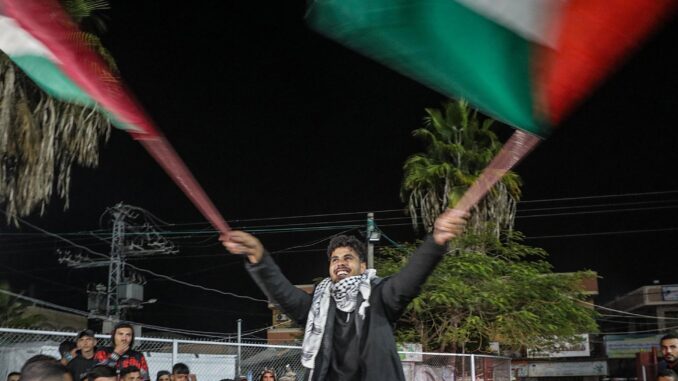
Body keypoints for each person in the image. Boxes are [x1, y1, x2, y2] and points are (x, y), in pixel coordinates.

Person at [221, 208, 468, 381]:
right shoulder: (317, 305)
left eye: (348, 258)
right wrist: (258, 256)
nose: (340, 263)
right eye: (335, 259)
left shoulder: (380, 297)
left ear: (363, 266)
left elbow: (409, 280)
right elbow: (283, 294)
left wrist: (435, 241)